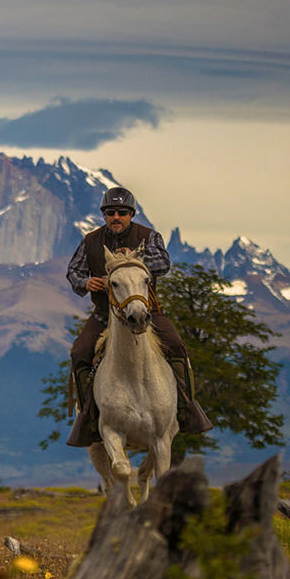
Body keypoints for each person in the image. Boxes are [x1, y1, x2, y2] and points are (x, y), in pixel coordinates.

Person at [65, 186, 212, 446]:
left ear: (132, 214)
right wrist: (86, 282)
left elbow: (163, 264)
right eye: (111, 212)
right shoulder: (90, 241)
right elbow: (73, 272)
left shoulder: (149, 237)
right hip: (105, 315)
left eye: (122, 212)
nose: (116, 217)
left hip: (148, 312)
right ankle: (89, 416)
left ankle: (187, 409)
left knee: (177, 346)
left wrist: (130, 265)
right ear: (104, 215)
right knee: (80, 352)